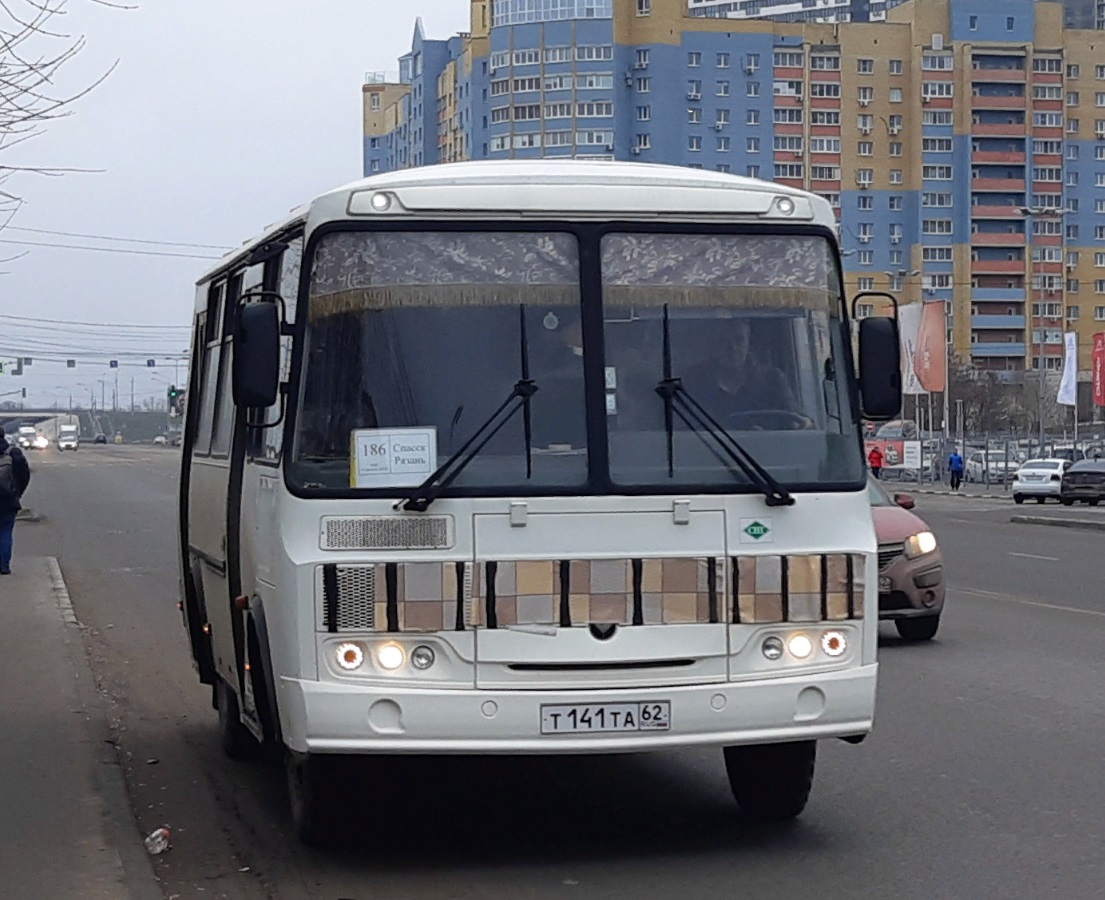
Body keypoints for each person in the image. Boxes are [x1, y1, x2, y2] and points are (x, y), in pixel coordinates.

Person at [680, 317, 810, 430]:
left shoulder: (773, 380)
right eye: (723, 341)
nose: (733, 348)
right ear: (712, 345)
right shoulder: (694, 381)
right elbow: (682, 427)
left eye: (739, 340)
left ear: (748, 342)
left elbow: (798, 418)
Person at [0, 425, 32, 575]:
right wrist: (17, 493)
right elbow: (24, 475)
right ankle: (4, 565)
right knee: (6, 532)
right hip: (8, 500)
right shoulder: (13, 453)